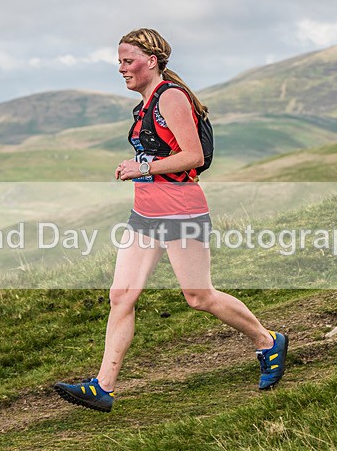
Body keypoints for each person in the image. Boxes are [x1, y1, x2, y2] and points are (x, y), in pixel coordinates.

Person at [54, 28, 287, 413]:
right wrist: (142, 172)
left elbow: (193, 156)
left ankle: (267, 341)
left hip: (182, 211)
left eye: (128, 61)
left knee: (199, 297)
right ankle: (103, 387)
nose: (121, 69)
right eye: (119, 62)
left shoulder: (171, 97)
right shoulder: (145, 103)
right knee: (121, 295)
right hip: (145, 213)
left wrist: (140, 167)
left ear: (152, 60)